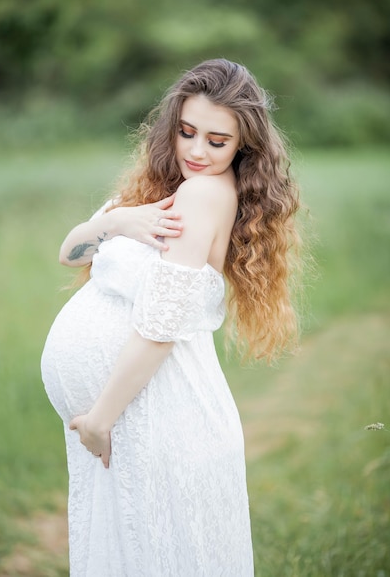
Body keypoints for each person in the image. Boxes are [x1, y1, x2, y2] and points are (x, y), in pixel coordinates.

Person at [41, 58, 300, 577]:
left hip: (153, 414)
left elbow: (161, 324)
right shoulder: (165, 191)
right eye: (186, 132)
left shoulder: (203, 194)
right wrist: (117, 220)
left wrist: (99, 419)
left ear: (243, 147)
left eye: (217, 141)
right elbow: (70, 254)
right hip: (141, 416)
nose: (197, 151)